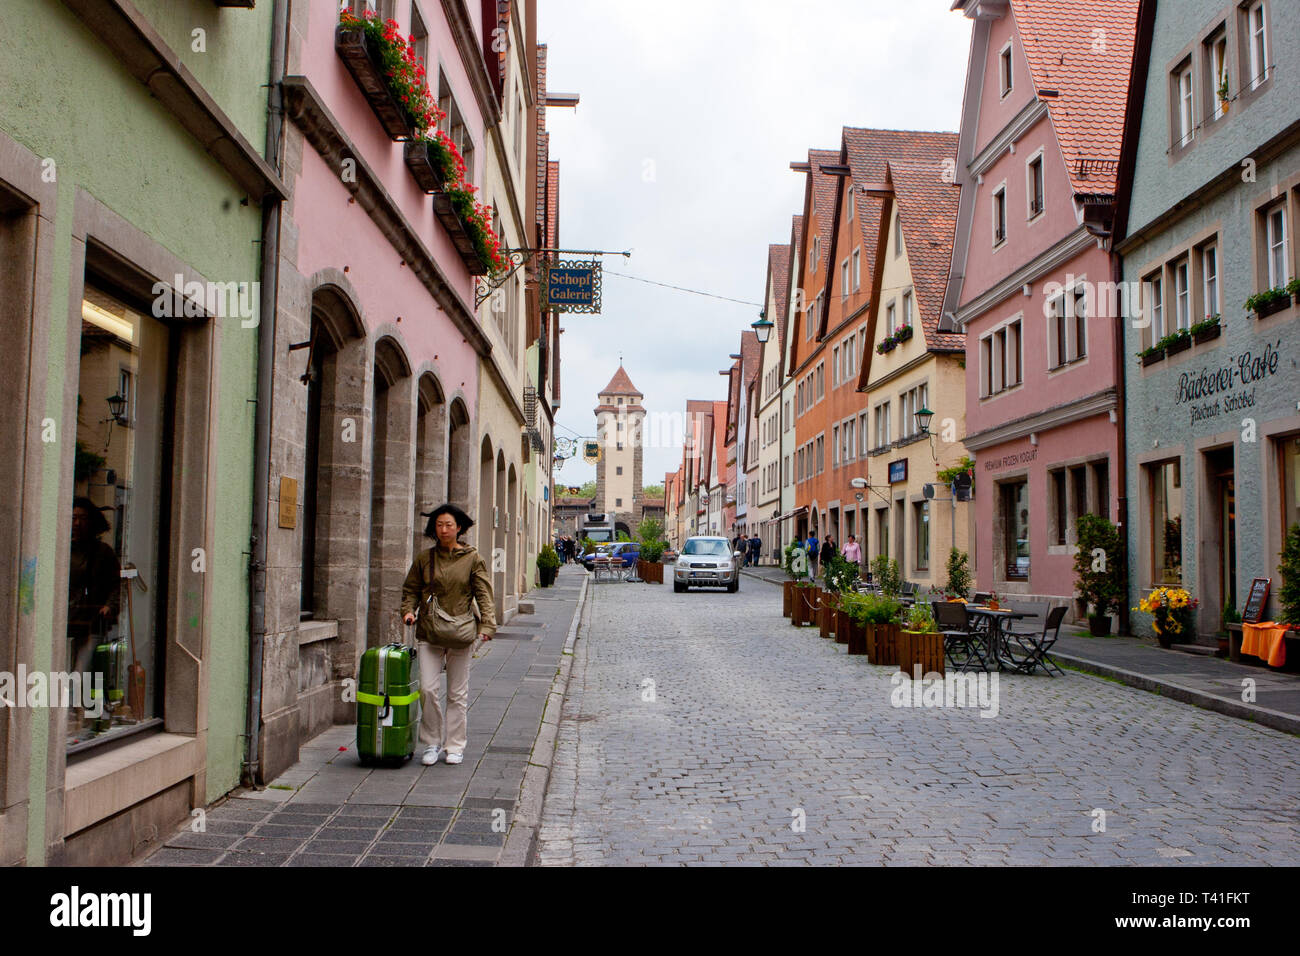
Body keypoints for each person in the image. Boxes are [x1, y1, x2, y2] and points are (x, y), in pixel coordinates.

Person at [402, 503, 496, 767]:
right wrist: (408, 611)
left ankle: (454, 745)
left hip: (462, 631)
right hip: (430, 631)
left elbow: (483, 594)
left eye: (449, 525)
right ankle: (431, 742)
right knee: (427, 689)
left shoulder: (472, 558)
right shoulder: (424, 559)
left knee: (457, 693)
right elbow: (410, 589)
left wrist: (487, 625)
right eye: (439, 525)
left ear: (459, 528)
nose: (443, 529)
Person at [68, 497, 121, 678]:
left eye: (82, 518)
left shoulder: (103, 552)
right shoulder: (63, 550)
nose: (77, 523)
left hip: (92, 621)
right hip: (67, 619)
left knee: (80, 669)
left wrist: (110, 606)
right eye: (74, 517)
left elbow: (116, 584)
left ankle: (75, 704)